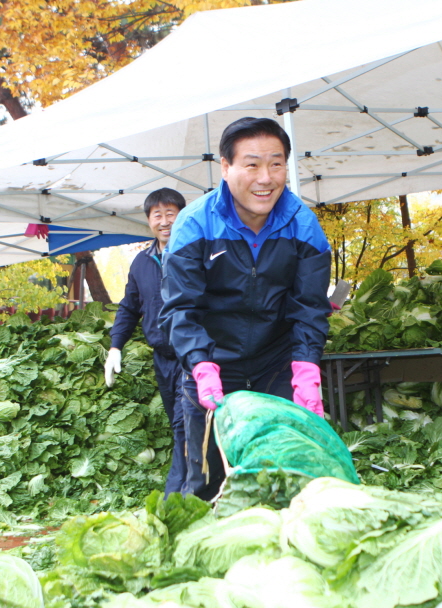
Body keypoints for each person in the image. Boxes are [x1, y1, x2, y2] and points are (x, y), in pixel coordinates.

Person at [160, 117, 332, 500]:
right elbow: (180, 306)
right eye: (251, 164)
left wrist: (305, 365)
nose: (265, 177)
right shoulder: (194, 224)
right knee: (207, 475)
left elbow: (310, 306)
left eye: (276, 164)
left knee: (286, 468)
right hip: (211, 364)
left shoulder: (303, 225)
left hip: (276, 361)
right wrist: (200, 361)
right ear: (226, 167)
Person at [104, 187, 188, 495]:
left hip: (194, 357)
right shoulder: (142, 262)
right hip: (162, 358)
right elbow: (129, 307)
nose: (164, 222)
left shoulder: (196, 253)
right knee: (179, 425)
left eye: (171, 214)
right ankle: (198, 488)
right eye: (158, 216)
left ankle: (177, 496)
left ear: (181, 216)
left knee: (185, 426)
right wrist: (115, 347)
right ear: (149, 221)